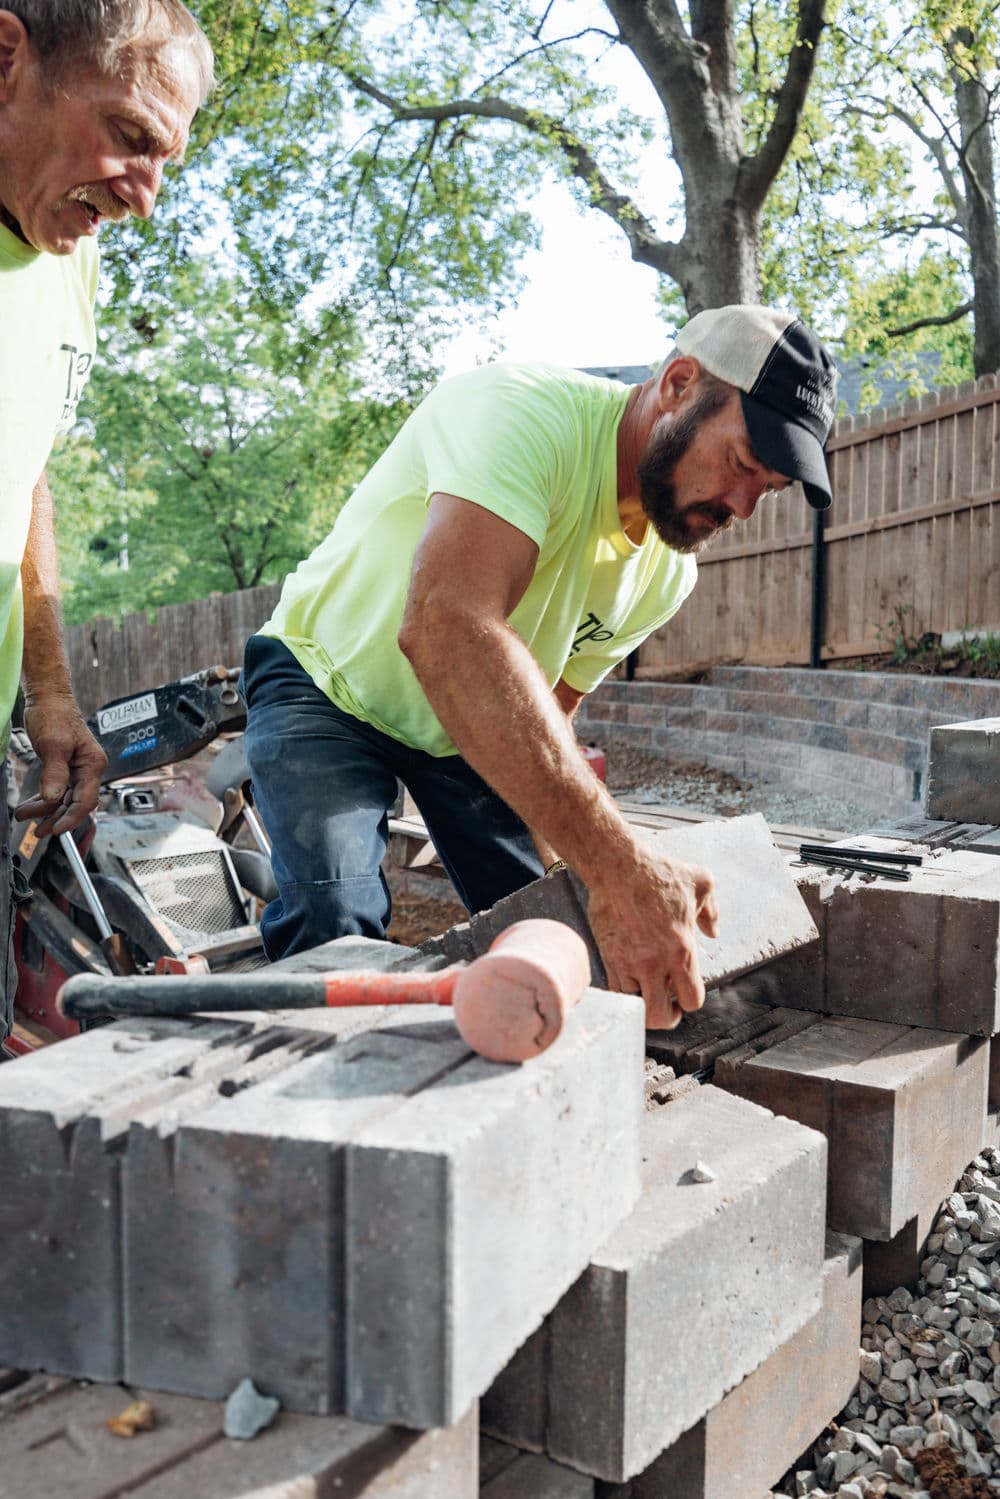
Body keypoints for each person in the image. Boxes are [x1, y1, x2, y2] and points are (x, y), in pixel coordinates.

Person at [242, 305, 838, 1029]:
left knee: (563, 925)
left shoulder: (665, 576)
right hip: (325, 684)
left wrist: (583, 872)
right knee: (334, 922)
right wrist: (620, 862)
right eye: (741, 463)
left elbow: (549, 710)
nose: (742, 506)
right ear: (679, 384)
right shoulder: (522, 415)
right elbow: (444, 628)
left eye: (767, 488)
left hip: (466, 728)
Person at [0, 0, 214, 1044]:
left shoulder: (67, 257)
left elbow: (25, 469)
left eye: (163, 159)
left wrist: (47, 690)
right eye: (130, 136)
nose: (145, 198)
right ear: (7, 59)